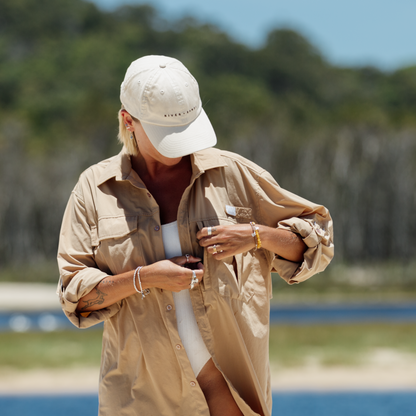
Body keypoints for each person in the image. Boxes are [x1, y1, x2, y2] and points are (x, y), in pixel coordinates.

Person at [57, 55, 334, 416]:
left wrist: (256, 236)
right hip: (141, 400)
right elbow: (74, 298)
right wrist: (147, 278)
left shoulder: (233, 174)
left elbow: (318, 245)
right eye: (165, 135)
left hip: (235, 398)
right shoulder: (94, 190)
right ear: (128, 121)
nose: (180, 144)